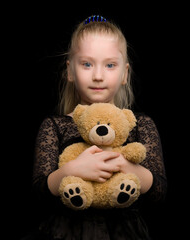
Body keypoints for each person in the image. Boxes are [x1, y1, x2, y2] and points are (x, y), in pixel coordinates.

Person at [22, 15, 167, 240]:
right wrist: (71, 171)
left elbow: (159, 192)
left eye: (110, 65)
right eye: (87, 64)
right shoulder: (55, 126)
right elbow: (38, 192)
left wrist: (127, 166)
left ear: (124, 74)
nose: (98, 76)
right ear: (70, 71)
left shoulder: (140, 125)